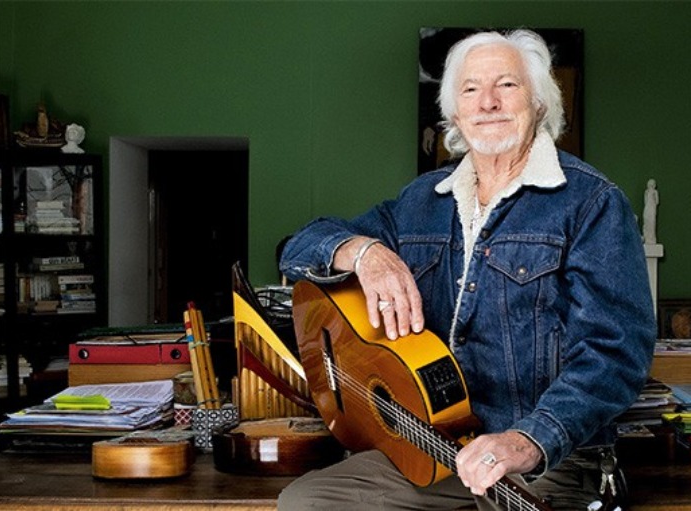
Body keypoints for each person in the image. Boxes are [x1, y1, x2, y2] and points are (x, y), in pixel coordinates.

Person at [279, 29, 656, 510]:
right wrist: (364, 252)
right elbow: (298, 247)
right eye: (471, 89)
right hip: (435, 445)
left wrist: (527, 440)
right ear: (454, 112)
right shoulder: (422, 200)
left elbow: (615, 354)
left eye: (507, 85)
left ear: (539, 102)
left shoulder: (592, 202)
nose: (488, 102)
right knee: (307, 502)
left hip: (549, 459)